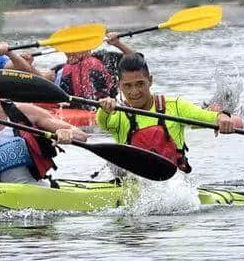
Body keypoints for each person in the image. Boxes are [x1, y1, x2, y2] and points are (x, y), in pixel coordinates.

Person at [96, 53, 236, 173]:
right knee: (114, 166)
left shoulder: (176, 106)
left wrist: (223, 117)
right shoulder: (118, 114)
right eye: (128, 86)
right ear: (119, 85)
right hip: (133, 185)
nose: (134, 92)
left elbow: (210, 117)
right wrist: (105, 109)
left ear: (150, 80)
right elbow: (102, 122)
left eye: (140, 84)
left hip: (174, 186)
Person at [56, 32, 135, 104]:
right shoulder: (61, 70)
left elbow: (135, 59)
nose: (69, 52)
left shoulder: (105, 58)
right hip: (78, 112)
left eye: (72, 48)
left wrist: (118, 44)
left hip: (108, 107)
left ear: (86, 48)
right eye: (66, 49)